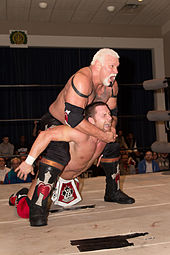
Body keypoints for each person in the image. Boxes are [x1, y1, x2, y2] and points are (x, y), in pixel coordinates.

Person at [16, 48, 135, 226]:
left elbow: (112, 114)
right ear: (97, 65)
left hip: (84, 122)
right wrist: (29, 161)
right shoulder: (82, 80)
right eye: (111, 66)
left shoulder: (111, 86)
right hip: (57, 120)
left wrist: (109, 134)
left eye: (117, 67)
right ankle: (38, 206)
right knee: (59, 150)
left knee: (112, 144)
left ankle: (113, 191)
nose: (116, 72)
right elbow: (72, 118)